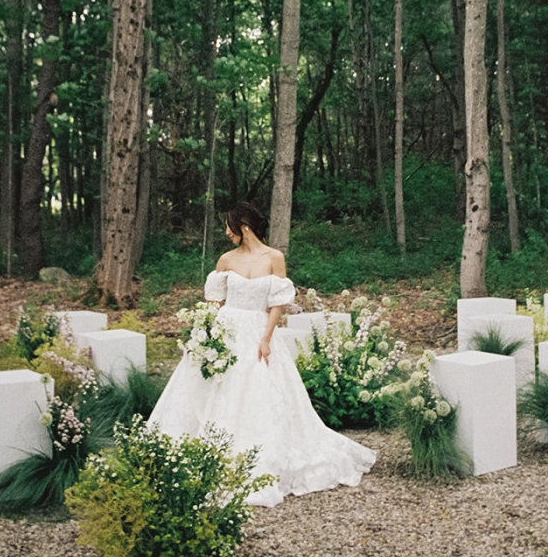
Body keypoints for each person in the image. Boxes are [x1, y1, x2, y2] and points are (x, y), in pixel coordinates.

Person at [146, 202, 376, 505]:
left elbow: (277, 303)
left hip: (257, 328)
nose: (226, 232)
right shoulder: (226, 260)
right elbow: (217, 301)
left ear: (244, 226)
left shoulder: (274, 258)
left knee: (260, 390)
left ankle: (262, 454)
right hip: (227, 328)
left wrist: (266, 338)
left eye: (229, 226)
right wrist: (209, 335)